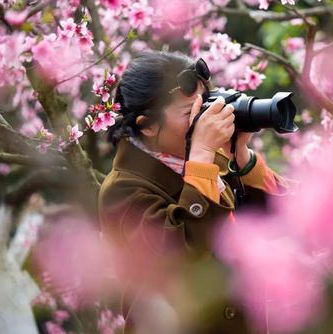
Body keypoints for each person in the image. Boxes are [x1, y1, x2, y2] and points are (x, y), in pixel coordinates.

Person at [98, 51, 289, 333]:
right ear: (147, 125)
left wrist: (242, 159)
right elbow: (179, 254)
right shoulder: (122, 189)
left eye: (206, 107)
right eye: (190, 113)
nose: (203, 122)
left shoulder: (213, 164)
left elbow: (285, 217)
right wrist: (201, 156)